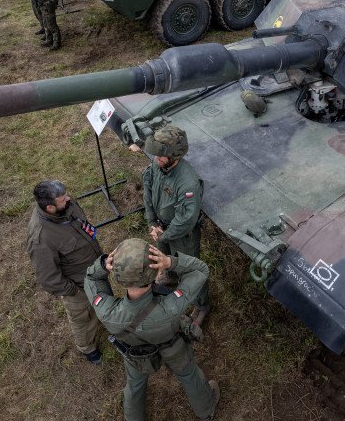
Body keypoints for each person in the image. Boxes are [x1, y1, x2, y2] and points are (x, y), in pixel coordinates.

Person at [84, 238, 219, 421]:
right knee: (189, 375)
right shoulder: (171, 307)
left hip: (136, 354)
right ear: (155, 272)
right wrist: (171, 262)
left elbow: (91, 278)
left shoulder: (107, 312)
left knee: (134, 385)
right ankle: (206, 411)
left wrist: (101, 266)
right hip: (174, 348)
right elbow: (201, 269)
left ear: (117, 277)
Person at [26, 180, 104, 365]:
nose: (69, 199)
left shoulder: (66, 204)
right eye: (63, 199)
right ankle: (88, 348)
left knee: (100, 305)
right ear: (51, 208)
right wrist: (74, 292)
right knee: (82, 319)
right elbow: (48, 278)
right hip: (78, 285)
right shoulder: (41, 238)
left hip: (95, 269)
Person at [140, 125, 209, 325]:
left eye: (160, 156)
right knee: (163, 256)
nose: (155, 159)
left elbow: (186, 220)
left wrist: (164, 235)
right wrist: (152, 221)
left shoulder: (188, 183)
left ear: (174, 156)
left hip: (181, 234)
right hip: (161, 229)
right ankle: (170, 275)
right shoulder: (159, 164)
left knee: (190, 270)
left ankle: (202, 304)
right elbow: (148, 189)